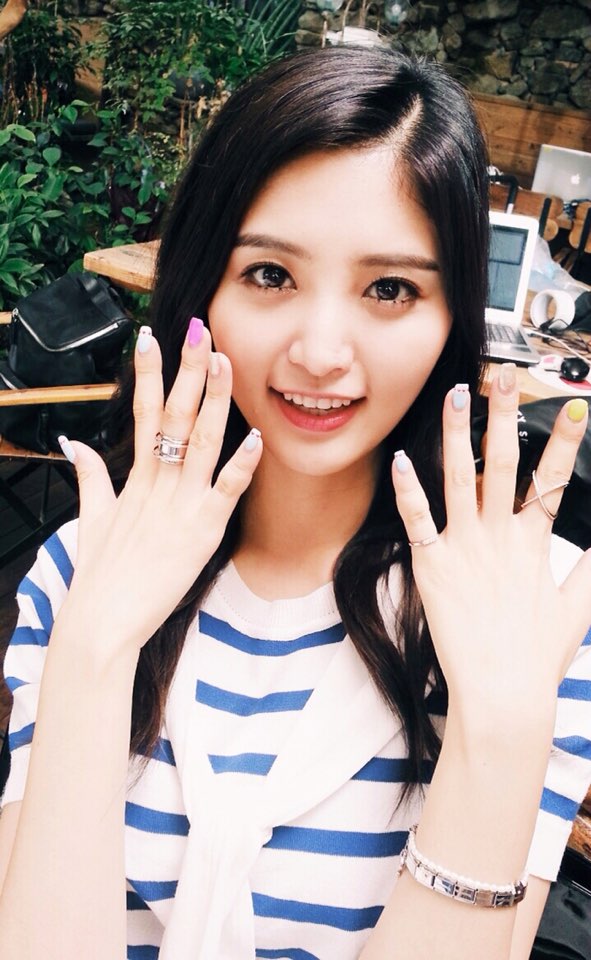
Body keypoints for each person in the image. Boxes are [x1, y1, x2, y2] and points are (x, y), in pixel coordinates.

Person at [1, 45, 591, 960]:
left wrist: (503, 728)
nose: (320, 352)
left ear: (452, 321)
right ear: (202, 287)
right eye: (269, 275)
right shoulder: (83, 565)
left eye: (389, 289)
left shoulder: (531, 610)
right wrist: (97, 644)